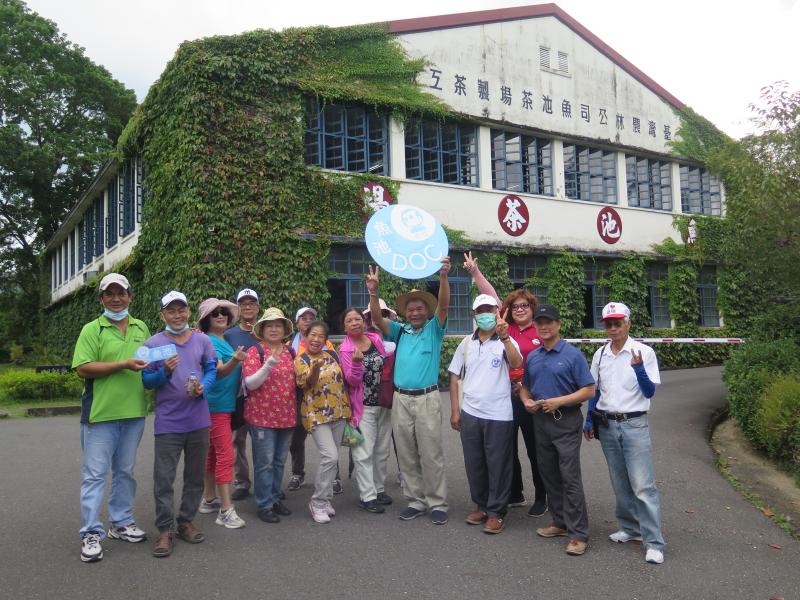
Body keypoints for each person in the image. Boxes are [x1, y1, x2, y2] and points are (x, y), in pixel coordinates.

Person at [365, 257, 451, 525]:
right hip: (401, 399)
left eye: (419, 309)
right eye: (410, 310)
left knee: (431, 453)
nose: (414, 313)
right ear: (405, 313)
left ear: (427, 311)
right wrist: (374, 293)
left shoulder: (434, 330)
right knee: (406, 453)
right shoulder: (399, 332)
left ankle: (437, 502)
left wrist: (444, 277)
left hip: (427, 398)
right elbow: (378, 320)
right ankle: (415, 500)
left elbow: (445, 305)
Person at [72, 273, 150, 563]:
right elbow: (82, 367)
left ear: (130, 296)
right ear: (101, 299)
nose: (116, 299)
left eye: (122, 293)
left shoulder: (141, 326)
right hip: (100, 414)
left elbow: (148, 362)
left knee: (125, 472)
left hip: (134, 412)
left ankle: (120, 522)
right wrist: (123, 365)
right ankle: (91, 532)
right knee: (94, 475)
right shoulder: (93, 329)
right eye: (110, 294)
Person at [463, 251, 547, 517]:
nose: (520, 309)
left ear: (533, 309)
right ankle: (514, 492)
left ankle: (542, 496)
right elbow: (490, 296)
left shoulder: (542, 331)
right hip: (505, 398)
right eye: (516, 306)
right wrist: (475, 273)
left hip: (533, 398)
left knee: (536, 449)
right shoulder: (503, 328)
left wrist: (526, 387)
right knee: (505, 449)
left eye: (525, 306)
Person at [584, 302, 666, 564]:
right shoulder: (600, 355)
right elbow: (595, 391)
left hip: (634, 424)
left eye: (617, 323)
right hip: (607, 424)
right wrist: (589, 420)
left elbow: (649, 391)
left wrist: (639, 368)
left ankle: (653, 541)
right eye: (608, 324)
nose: (612, 328)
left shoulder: (643, 352)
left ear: (628, 323)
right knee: (620, 482)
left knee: (643, 485)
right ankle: (630, 529)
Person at [142, 291, 217, 558]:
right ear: (162, 315)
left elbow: (211, 370)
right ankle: (165, 530)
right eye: (171, 311)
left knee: (195, 476)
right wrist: (166, 372)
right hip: (168, 423)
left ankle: (186, 520)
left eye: (181, 310)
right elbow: (146, 381)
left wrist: (203, 388)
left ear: (188, 312)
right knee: (163, 479)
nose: (177, 315)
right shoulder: (153, 344)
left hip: (198, 420)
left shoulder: (202, 340)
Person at [519, 304, 595, 556]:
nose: (543, 326)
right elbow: (525, 387)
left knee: (569, 476)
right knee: (549, 474)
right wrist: (527, 401)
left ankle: (579, 533)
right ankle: (560, 522)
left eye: (549, 322)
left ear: (558, 324)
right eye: (540, 322)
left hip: (566, 420)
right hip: (541, 421)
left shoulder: (572, 355)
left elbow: (588, 389)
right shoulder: (534, 356)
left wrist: (559, 401)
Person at [448, 295, 522, 534]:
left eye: (489, 309)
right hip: (470, 412)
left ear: (497, 311)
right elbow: (454, 375)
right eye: (480, 310)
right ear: (474, 315)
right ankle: (481, 505)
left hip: (499, 413)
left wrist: (505, 336)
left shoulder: (504, 340)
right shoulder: (466, 343)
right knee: (475, 463)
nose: (485, 314)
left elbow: (517, 362)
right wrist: (455, 410)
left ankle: (497, 512)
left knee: (498, 464)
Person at [242, 308, 297, 524]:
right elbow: (250, 383)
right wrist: (269, 364)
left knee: (279, 461)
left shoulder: (291, 352)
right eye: (270, 325)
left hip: (287, 416)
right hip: (262, 418)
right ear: (262, 329)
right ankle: (264, 504)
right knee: (264, 462)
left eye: (278, 325)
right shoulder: (255, 351)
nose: (274, 329)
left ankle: (274, 498)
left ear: (284, 329)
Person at [294, 321, 351, 524]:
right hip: (316, 415)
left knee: (333, 459)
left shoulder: (332, 354)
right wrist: (315, 370)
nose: (316, 339)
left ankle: (326, 500)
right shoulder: (301, 360)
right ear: (305, 336)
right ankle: (317, 502)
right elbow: (306, 383)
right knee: (330, 456)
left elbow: (343, 381)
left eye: (320, 336)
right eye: (313, 335)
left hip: (339, 412)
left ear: (325, 339)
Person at [197, 298, 247, 529]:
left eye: (224, 312)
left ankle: (208, 499)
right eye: (215, 313)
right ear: (206, 318)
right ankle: (226, 510)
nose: (221, 315)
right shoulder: (208, 341)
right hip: (215, 405)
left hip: (223, 404)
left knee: (213, 453)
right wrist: (235, 361)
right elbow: (217, 372)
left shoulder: (222, 339)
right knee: (226, 454)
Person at [339, 307, 392, 513]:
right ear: (344, 326)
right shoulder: (345, 350)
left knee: (382, 451)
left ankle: (379, 489)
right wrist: (357, 363)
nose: (354, 323)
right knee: (363, 452)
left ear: (364, 321)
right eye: (349, 320)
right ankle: (367, 496)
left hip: (383, 402)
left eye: (357, 319)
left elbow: (385, 364)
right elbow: (352, 380)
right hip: (364, 407)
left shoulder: (374, 339)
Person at [287, 306, 338, 493]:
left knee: (330, 444)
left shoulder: (328, 347)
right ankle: (297, 473)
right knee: (296, 439)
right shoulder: (289, 347)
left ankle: (334, 478)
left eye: (311, 317)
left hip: (325, 400)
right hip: (299, 397)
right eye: (303, 318)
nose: (307, 320)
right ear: (297, 322)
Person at [225, 288, 260, 502]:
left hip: (262, 395)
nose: (247, 307)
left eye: (251, 303)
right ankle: (242, 482)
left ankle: (266, 482)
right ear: (238, 308)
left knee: (263, 441)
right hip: (237, 395)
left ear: (257, 307)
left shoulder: (266, 330)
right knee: (238, 440)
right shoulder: (229, 334)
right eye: (243, 303)